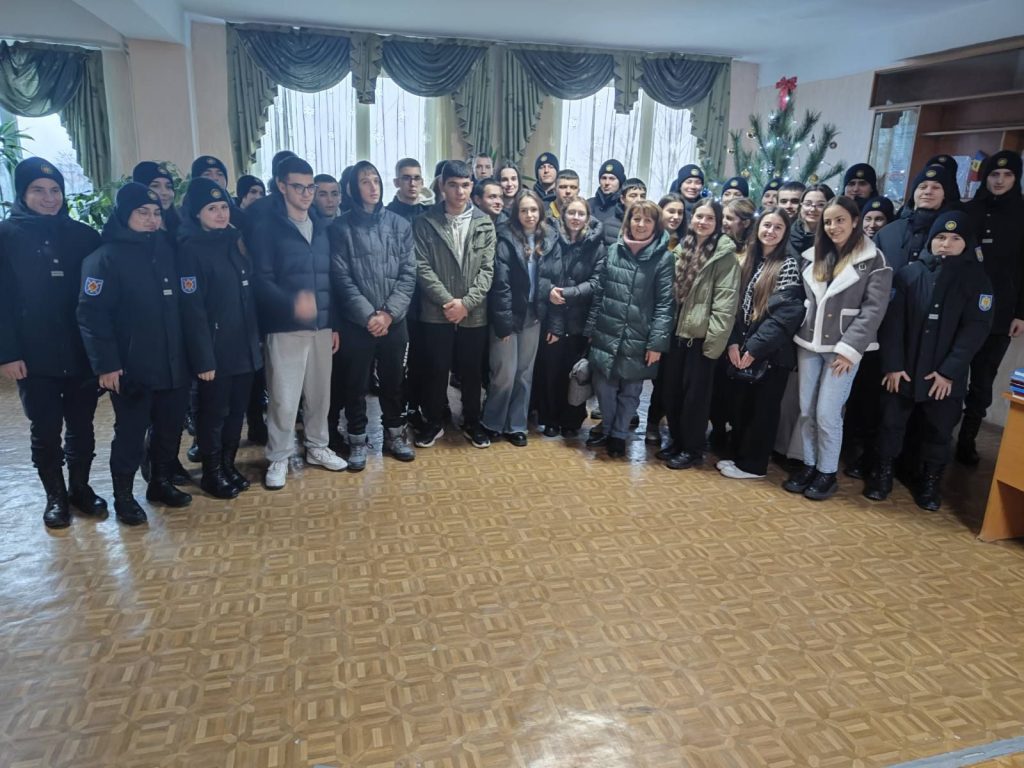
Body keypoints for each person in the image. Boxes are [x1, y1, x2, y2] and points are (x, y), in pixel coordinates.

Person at [77, 183, 207, 525]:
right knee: (131, 434)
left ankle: (160, 482)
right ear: (124, 215)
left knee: (169, 429)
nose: (151, 219)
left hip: (174, 363)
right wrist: (107, 365)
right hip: (132, 368)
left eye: (155, 213)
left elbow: (189, 306)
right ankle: (123, 496)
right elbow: (91, 315)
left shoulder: (170, 250)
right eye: (142, 213)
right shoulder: (105, 258)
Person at [0, 157, 105, 529]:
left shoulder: (84, 236)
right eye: (38, 190)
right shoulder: (5, 236)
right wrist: (7, 353)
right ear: (22, 193)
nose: (49, 198)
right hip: (33, 355)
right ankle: (55, 496)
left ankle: (80, 488)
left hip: (81, 352)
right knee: (45, 429)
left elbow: (100, 298)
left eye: (55, 190)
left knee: (82, 426)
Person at [865, 211, 992, 510]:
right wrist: (893, 365)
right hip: (903, 370)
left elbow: (975, 330)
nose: (946, 243)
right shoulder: (909, 275)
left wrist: (948, 372)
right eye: (940, 237)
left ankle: (930, 481)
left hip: (944, 376)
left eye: (955, 238)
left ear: (967, 243)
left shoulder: (977, 280)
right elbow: (892, 325)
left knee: (939, 430)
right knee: (891, 423)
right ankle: (883, 473)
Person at [783, 196, 892, 501]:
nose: (833, 226)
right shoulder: (815, 256)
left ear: (855, 221)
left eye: (840, 220)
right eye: (828, 221)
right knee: (807, 410)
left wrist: (849, 349)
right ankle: (809, 464)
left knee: (828, 413)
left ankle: (827, 471)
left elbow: (874, 310)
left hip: (843, 349)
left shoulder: (874, 259)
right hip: (809, 343)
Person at [249, 156, 347, 490]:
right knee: (283, 396)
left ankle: (318, 446)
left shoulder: (322, 226)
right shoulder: (267, 228)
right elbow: (260, 280)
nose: (306, 194)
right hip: (284, 326)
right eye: (298, 187)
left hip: (321, 326)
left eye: (310, 188)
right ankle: (278, 456)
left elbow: (330, 279)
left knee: (320, 393)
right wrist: (292, 304)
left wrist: (332, 323)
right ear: (281, 186)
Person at [177, 178, 263, 499]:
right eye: (212, 208)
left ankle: (228, 465)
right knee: (214, 414)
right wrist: (203, 358)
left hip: (243, 346)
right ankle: (212, 472)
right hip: (214, 351)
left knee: (237, 412)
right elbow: (192, 310)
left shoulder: (234, 240)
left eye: (224, 206)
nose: (220, 214)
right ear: (197, 213)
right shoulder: (189, 249)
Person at [330, 160, 418, 469]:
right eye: (365, 182)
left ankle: (395, 434)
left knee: (394, 382)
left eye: (376, 181)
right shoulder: (340, 228)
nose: (372, 187)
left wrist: (388, 314)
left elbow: (409, 274)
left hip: (394, 321)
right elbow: (341, 278)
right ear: (353, 188)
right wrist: (369, 316)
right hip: (357, 323)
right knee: (355, 385)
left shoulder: (399, 225)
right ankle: (357, 439)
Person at [413, 160, 496, 448]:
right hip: (437, 311)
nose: (460, 192)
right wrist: (449, 302)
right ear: (442, 185)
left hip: (474, 312)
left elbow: (487, 269)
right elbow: (421, 267)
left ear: (472, 186)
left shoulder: (484, 222)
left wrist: (467, 303)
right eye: (453, 185)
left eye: (465, 185)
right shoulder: (425, 222)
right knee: (437, 369)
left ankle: (472, 421)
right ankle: (434, 421)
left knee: (471, 371)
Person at [718, 208, 805, 480]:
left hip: (772, 354)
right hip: (743, 347)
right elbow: (732, 306)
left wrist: (754, 348)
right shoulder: (750, 260)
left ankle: (754, 466)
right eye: (767, 225)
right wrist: (733, 343)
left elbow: (786, 314)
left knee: (762, 412)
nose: (770, 231)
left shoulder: (788, 265)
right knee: (743, 407)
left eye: (778, 227)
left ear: (785, 232)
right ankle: (740, 458)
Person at [585, 200, 674, 458]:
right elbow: (600, 293)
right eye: (636, 219)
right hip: (607, 330)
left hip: (640, 336)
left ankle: (619, 435)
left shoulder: (664, 258)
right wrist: (591, 329)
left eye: (647, 220)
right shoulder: (614, 250)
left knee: (631, 392)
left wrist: (656, 344)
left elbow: (665, 304)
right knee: (604, 388)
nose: (641, 224)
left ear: (656, 225)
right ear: (628, 221)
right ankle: (609, 428)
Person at [658, 199, 740, 469]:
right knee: (672, 393)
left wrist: (713, 345)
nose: (703, 222)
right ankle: (676, 440)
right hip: (676, 336)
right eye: (699, 217)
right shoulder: (682, 248)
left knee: (695, 400)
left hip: (701, 340)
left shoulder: (724, 256)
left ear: (718, 223)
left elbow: (725, 305)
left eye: (710, 218)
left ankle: (692, 448)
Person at [958, 150, 1024, 465]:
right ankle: (936, 437)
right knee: (950, 372)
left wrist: (1021, 313)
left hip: (1001, 311)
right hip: (961, 307)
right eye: (994, 175)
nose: (999, 180)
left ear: (1016, 178)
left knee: (983, 381)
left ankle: (967, 440)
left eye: (1007, 175)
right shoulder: (969, 210)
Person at [482, 190, 561, 446]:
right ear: (516, 213)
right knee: (504, 372)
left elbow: (553, 278)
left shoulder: (550, 238)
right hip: (508, 313)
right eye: (524, 210)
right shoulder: (505, 238)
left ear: (541, 212)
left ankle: (516, 425)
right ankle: (492, 422)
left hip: (534, 314)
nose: (529, 215)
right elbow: (500, 284)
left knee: (524, 373)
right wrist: (503, 324)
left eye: (533, 210)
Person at [538, 195, 605, 438]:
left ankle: (572, 420)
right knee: (551, 372)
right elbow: (540, 273)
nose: (576, 218)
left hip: (581, 320)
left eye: (581, 213)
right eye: (571, 213)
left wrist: (568, 293)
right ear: (563, 215)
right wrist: (549, 291)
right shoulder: (550, 240)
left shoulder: (597, 246)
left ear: (587, 218)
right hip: (552, 318)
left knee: (576, 373)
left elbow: (597, 282)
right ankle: (550, 419)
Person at [707, 197, 755, 452]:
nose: (724, 222)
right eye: (723, 217)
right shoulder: (716, 244)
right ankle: (716, 429)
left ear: (745, 223)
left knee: (733, 386)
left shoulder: (752, 251)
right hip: (716, 320)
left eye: (730, 218)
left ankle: (733, 435)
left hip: (740, 324)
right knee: (714, 384)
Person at [644, 193, 687, 442]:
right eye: (671, 211)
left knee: (666, 378)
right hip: (647, 315)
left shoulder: (688, 243)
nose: (675, 216)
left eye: (680, 212)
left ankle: (658, 421)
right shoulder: (648, 238)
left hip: (674, 318)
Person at [875, 165, 952, 272]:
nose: (928, 192)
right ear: (914, 192)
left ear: (944, 194)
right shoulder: (888, 232)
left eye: (936, 187)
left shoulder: (953, 234)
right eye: (922, 187)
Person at [132, 161, 182, 236]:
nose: (165, 192)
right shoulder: (132, 232)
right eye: (155, 186)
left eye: (169, 187)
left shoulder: (180, 224)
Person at [787, 183, 834, 261]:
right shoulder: (786, 233)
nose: (812, 209)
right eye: (808, 204)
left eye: (820, 205)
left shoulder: (835, 237)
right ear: (801, 206)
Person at [588, 159, 625, 241]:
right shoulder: (588, 204)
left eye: (612, 179)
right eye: (604, 178)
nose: (607, 183)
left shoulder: (624, 207)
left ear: (620, 182)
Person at [387, 158, 429, 223]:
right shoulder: (386, 216)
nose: (412, 184)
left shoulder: (431, 214)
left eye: (417, 178)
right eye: (406, 178)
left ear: (422, 183)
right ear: (396, 183)